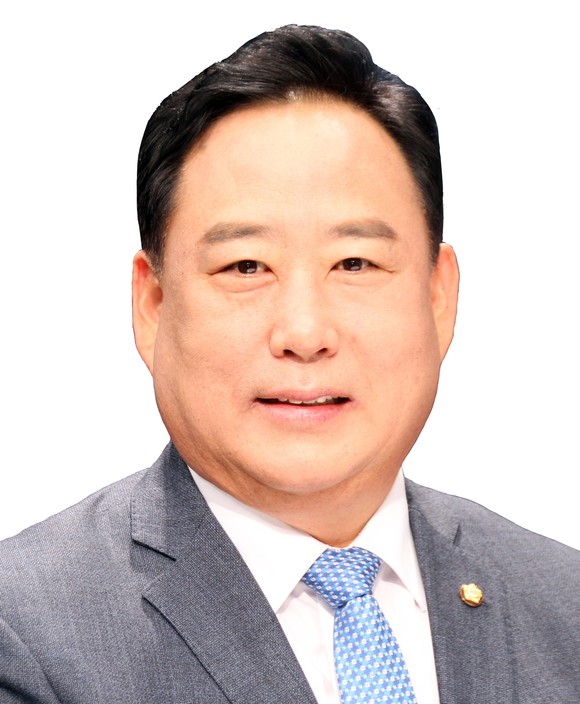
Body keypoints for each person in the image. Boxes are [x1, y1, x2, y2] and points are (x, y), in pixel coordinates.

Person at [0, 24, 578, 704]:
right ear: (152, 304)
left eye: (355, 263)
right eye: (246, 266)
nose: (305, 333)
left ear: (437, 297)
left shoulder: (562, 605)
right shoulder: (28, 633)